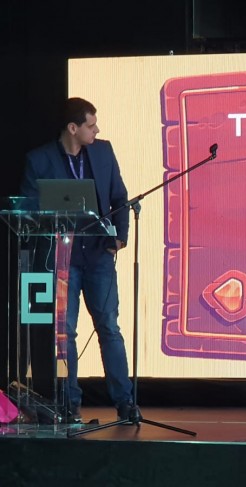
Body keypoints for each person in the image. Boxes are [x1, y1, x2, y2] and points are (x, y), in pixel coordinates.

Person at [20, 97, 137, 423]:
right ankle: (69, 404)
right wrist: (50, 212)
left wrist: (120, 237)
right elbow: (27, 208)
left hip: (99, 255)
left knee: (109, 328)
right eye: (90, 125)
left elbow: (119, 196)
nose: (96, 131)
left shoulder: (103, 152)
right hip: (63, 258)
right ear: (73, 128)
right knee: (65, 333)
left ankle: (125, 403)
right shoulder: (39, 160)